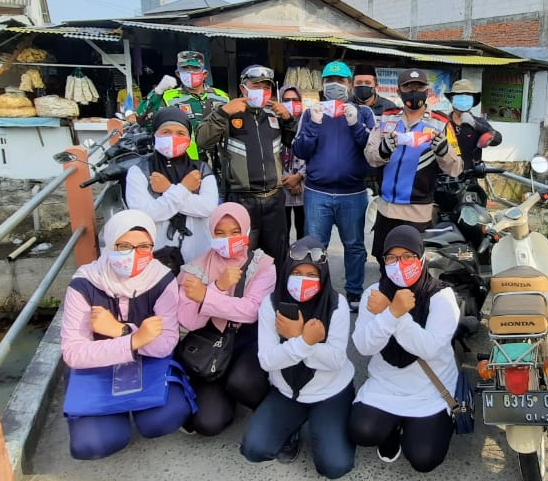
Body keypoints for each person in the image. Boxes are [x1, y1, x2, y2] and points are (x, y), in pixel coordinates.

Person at [60, 210, 191, 460]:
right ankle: (113, 416)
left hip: (148, 364)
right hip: (97, 370)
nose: (134, 254)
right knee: (94, 443)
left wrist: (121, 331)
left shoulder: (161, 279)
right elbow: (74, 352)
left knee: (163, 419)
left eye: (144, 246)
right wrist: (134, 340)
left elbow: (165, 343)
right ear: (110, 244)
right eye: (124, 246)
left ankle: (131, 410)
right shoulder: (85, 283)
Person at [241, 236, 355, 478]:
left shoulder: (337, 305)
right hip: (286, 392)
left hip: (331, 393)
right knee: (254, 449)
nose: (304, 280)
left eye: (312, 274)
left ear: (323, 276)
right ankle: (291, 429)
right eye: (298, 272)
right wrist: (304, 341)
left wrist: (299, 339)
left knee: (335, 466)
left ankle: (324, 425)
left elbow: (335, 361)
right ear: (287, 272)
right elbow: (267, 361)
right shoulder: (271, 304)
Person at [348, 225, 460, 472]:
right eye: (392, 257)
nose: (400, 263)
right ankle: (391, 432)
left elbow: (429, 348)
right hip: (386, 384)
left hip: (430, 387)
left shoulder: (441, 296)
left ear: (421, 257)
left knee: (424, 458)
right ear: (383, 260)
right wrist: (392, 313)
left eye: (408, 256)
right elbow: (364, 346)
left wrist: (393, 314)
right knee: (361, 431)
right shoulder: (374, 294)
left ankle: (417, 425)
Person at [176, 203, 275, 436]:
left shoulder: (262, 265)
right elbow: (188, 321)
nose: (227, 239)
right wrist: (219, 287)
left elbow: (251, 311)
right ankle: (221, 393)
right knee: (207, 423)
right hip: (209, 349)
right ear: (211, 234)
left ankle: (274, 414)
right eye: (219, 233)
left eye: (234, 232)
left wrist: (206, 297)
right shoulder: (195, 268)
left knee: (242, 383)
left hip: (248, 343)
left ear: (247, 232)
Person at [292, 61, 376, 311]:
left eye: (340, 81)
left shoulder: (363, 113)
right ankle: (316, 292)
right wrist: (314, 125)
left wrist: (355, 125)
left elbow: (372, 150)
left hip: (354, 193)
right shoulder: (311, 112)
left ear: (349, 84)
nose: (335, 86)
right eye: (330, 81)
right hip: (317, 192)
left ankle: (354, 293)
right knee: (315, 248)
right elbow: (300, 150)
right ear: (322, 84)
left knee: (354, 246)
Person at [196, 65, 296, 265]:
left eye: (266, 87)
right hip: (242, 200)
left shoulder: (274, 114)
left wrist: (289, 120)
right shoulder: (227, 113)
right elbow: (201, 140)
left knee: (277, 259)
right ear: (243, 88)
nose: (261, 91)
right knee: (241, 259)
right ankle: (240, 296)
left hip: (274, 200)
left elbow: (294, 144)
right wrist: (223, 113)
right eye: (255, 85)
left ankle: (274, 296)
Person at [365, 68, 462, 261]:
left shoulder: (441, 123)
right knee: (385, 262)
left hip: (418, 212)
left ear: (428, 91)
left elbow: (456, 168)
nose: (414, 91)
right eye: (408, 87)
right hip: (387, 208)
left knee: (411, 266)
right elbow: (370, 155)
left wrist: (443, 150)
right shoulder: (387, 118)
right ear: (399, 91)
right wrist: (383, 150)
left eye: (419, 87)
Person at [124, 107, 220, 274]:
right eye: (166, 132)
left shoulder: (200, 169)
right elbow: (145, 214)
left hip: (198, 254)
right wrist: (184, 188)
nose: (173, 138)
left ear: (189, 139)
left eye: (180, 133)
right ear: (154, 135)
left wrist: (168, 188)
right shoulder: (140, 171)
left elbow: (208, 208)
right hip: (156, 255)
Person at [131, 50, 229, 162]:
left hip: (220, 164)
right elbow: (143, 120)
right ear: (178, 73)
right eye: (185, 69)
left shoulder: (221, 97)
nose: (190, 72)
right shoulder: (169, 98)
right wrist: (157, 92)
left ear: (204, 73)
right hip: (184, 162)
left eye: (195, 68)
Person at [444, 79, 503, 173]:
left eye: (467, 96)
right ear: (452, 100)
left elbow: (497, 139)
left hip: (469, 179)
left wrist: (475, 125)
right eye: (459, 96)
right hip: (443, 179)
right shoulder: (443, 123)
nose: (463, 99)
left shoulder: (479, 123)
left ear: (473, 100)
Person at [352, 63, 394, 197]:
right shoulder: (346, 106)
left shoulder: (389, 109)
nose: (363, 85)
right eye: (359, 82)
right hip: (351, 175)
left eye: (367, 82)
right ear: (352, 85)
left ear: (376, 86)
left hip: (379, 174)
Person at [279, 85, 307, 242]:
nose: (291, 103)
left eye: (295, 100)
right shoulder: (273, 123)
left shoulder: (309, 121)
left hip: (304, 189)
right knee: (282, 232)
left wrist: (298, 176)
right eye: (286, 100)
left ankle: (301, 264)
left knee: (303, 232)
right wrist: (288, 180)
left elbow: (315, 154)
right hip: (281, 188)